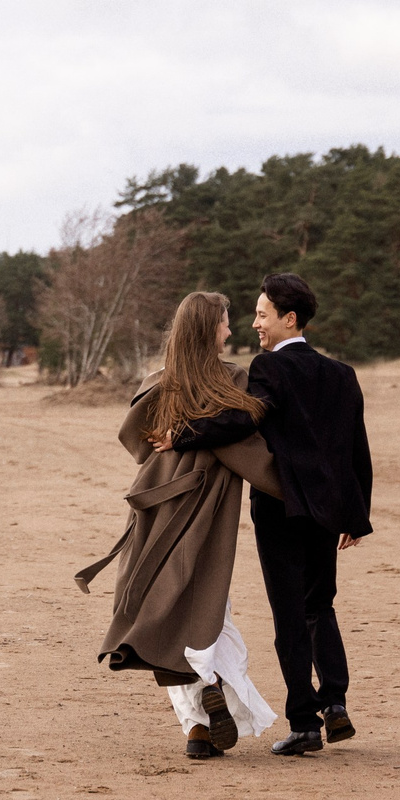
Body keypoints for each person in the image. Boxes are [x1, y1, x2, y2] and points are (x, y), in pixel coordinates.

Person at [77, 290, 284, 760]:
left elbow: (133, 438)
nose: (230, 330)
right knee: (209, 611)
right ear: (208, 329)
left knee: (163, 610)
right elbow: (248, 448)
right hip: (206, 511)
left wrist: (175, 440)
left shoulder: (158, 384)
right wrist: (295, 489)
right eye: (225, 322)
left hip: (157, 507)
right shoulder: (234, 380)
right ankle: (209, 685)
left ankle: (197, 729)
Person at [243, 271, 374, 758]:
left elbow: (244, 420)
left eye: (262, 314)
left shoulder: (268, 367)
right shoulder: (341, 374)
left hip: (279, 510)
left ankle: (304, 723)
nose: (255, 323)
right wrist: (355, 516)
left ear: (289, 318)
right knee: (321, 606)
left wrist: (185, 437)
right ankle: (335, 703)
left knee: (289, 617)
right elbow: (356, 451)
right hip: (326, 512)